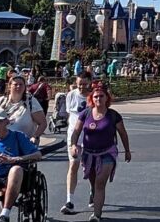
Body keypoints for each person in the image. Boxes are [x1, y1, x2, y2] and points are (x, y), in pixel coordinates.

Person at [69, 84, 132, 222]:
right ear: (91, 98)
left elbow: (123, 133)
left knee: (100, 183)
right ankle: (93, 193)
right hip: (89, 154)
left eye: (101, 96)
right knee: (93, 182)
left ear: (106, 98)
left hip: (107, 153)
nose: (98, 99)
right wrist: (74, 145)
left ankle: (96, 215)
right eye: (95, 96)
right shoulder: (85, 114)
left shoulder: (113, 115)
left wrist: (127, 150)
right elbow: (76, 132)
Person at [61, 72, 93, 215]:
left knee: (90, 167)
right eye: (79, 84)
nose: (81, 87)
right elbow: (70, 116)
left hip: (91, 137)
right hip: (74, 137)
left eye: (85, 84)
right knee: (73, 165)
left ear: (90, 82)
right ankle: (69, 200)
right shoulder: (71, 95)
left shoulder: (94, 96)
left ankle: (93, 190)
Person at [0, 76, 46, 143]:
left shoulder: (31, 102)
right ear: (9, 86)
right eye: (15, 84)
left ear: (25, 87)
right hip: (1, 143)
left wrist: (35, 137)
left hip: (24, 145)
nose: (18, 86)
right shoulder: (1, 101)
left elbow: (43, 123)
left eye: (21, 84)